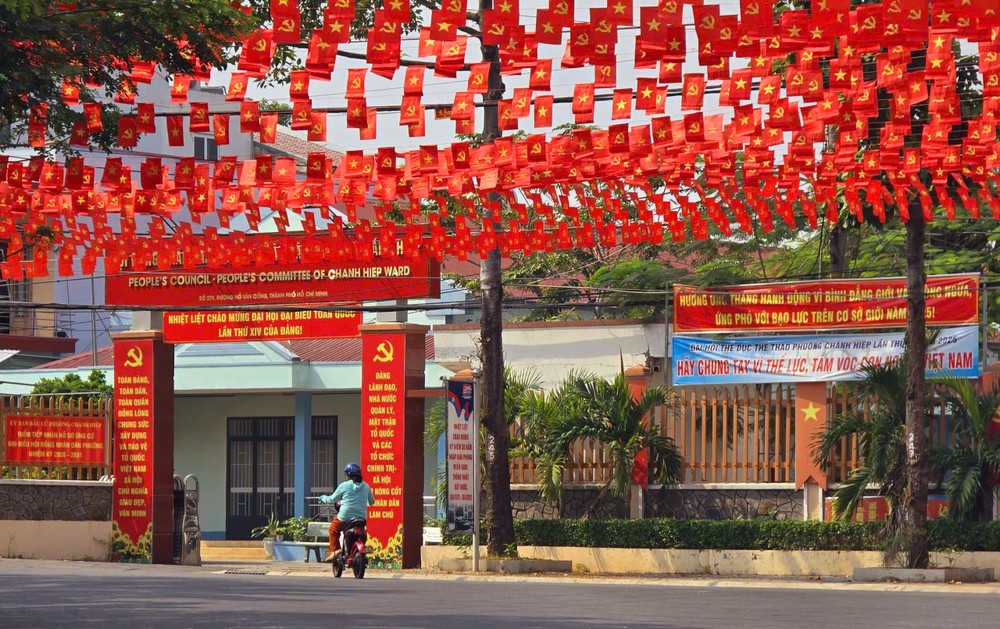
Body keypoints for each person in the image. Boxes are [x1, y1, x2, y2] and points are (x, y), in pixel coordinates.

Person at [319, 462, 376, 562]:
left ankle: (335, 552)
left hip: (344, 518)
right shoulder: (366, 486)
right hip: (361, 519)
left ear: (347, 476)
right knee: (363, 533)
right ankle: (358, 551)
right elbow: (372, 502)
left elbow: (331, 499)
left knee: (333, 529)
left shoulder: (344, 486)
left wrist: (322, 497)